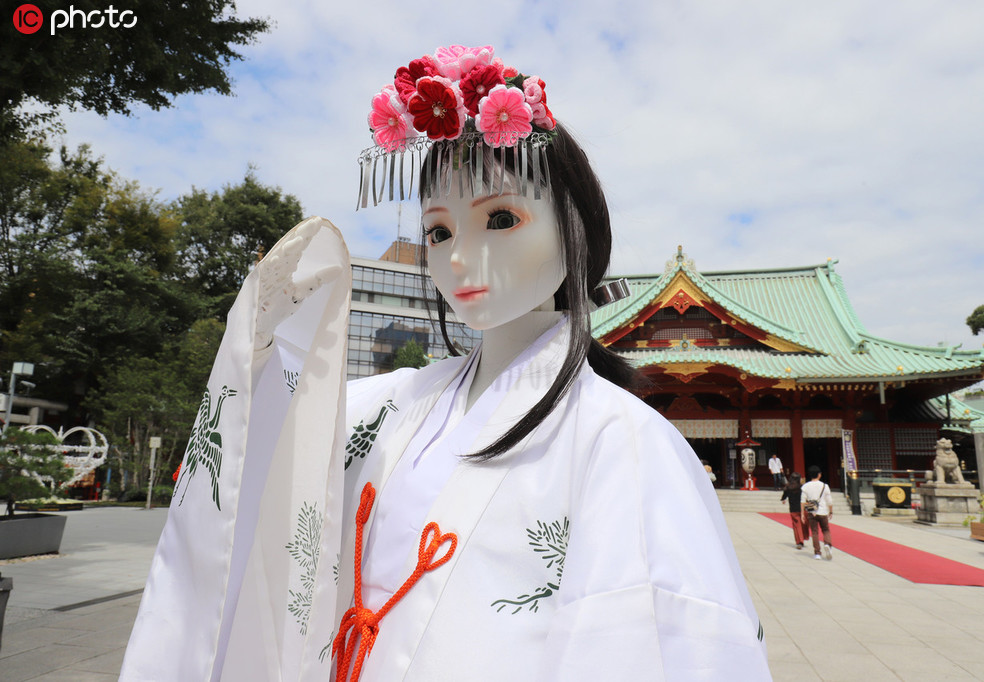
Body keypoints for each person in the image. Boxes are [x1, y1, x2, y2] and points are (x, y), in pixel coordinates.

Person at [120, 45, 770, 681]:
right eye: (439, 230)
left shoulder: (626, 444)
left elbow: (643, 645)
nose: (459, 256)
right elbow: (258, 494)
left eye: (501, 217)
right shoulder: (386, 404)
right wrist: (264, 356)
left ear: (575, 228)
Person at [801, 465, 834, 560]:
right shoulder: (825, 486)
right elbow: (830, 501)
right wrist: (831, 511)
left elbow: (802, 501)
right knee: (826, 530)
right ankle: (827, 544)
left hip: (812, 512)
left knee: (814, 532)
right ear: (819, 475)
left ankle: (817, 553)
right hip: (823, 511)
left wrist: (803, 514)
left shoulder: (805, 486)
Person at [780, 472, 807, 548]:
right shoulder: (802, 487)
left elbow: (784, 495)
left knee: (796, 525)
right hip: (802, 508)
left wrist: (783, 499)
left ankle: (799, 541)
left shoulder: (788, 487)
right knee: (803, 525)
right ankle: (803, 538)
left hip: (793, 508)